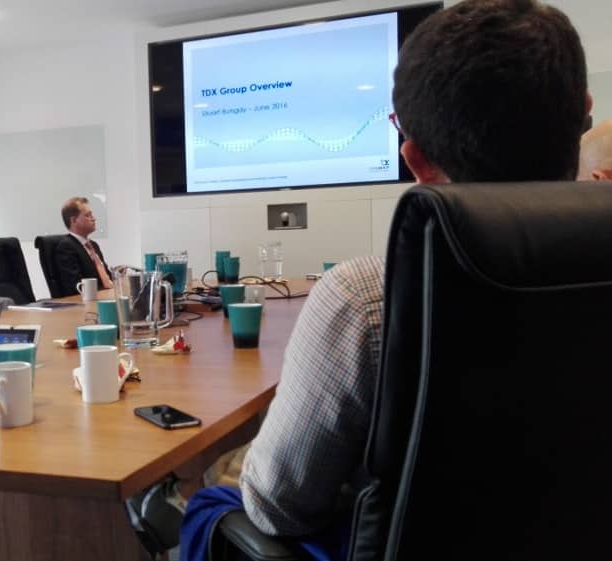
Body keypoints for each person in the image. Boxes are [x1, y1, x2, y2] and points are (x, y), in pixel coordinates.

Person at [179, 0, 591, 558]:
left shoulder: (368, 298)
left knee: (214, 492)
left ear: (414, 159)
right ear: (584, 113)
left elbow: (280, 507)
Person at [54, 197, 113, 296]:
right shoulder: (66, 247)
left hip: (106, 295)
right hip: (88, 299)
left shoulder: (93, 245)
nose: (94, 218)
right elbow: (75, 286)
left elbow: (107, 277)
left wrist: (117, 275)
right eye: (88, 215)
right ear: (74, 220)